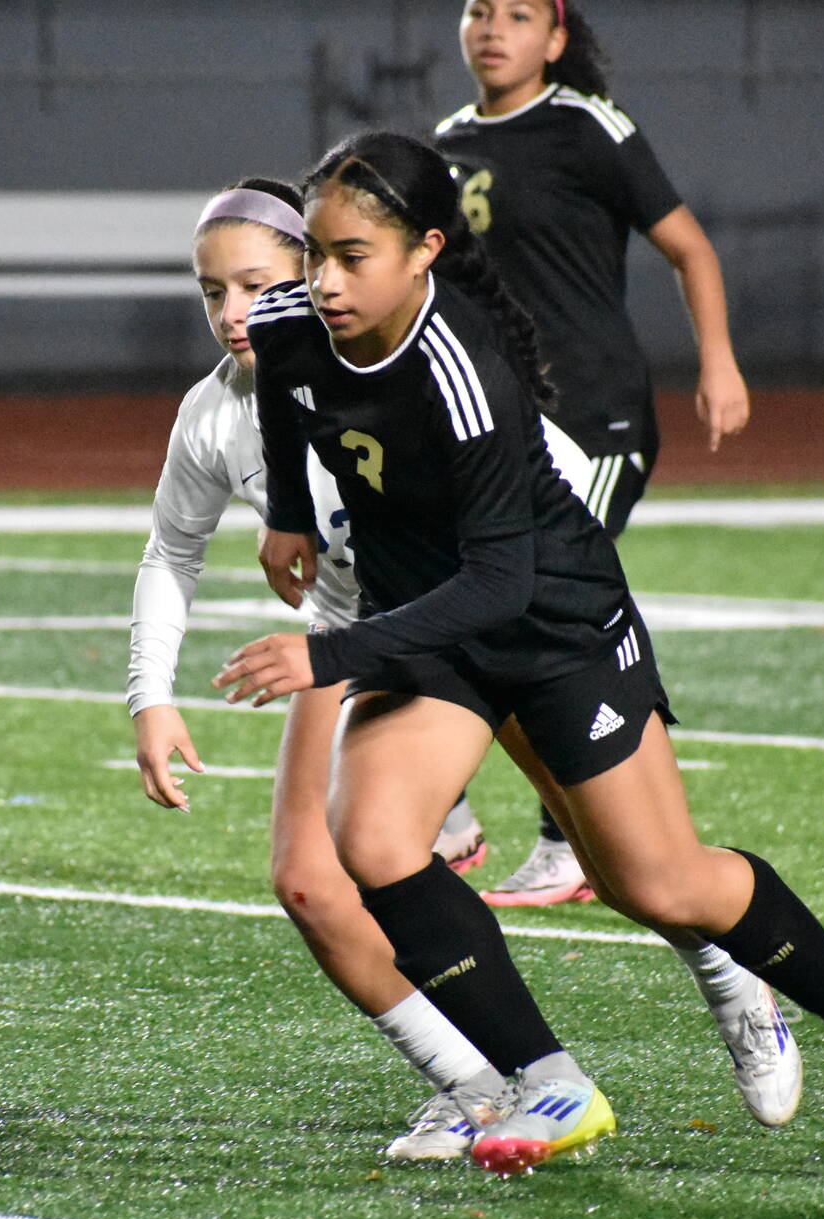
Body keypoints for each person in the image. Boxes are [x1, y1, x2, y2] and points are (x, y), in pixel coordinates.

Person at [215, 132, 824, 1175]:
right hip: (434, 624)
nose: (320, 281)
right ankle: (550, 1083)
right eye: (313, 253)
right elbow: (288, 397)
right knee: (368, 838)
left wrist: (329, 658)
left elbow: (502, 584)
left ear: (423, 250)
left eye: (350, 257)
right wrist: (286, 515)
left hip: (551, 624)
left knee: (660, 883)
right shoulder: (290, 321)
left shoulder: (463, 370)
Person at [129, 179, 786, 1160]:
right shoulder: (216, 413)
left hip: (491, 620)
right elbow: (169, 550)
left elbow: (540, 476)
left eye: (255, 283)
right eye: (209, 290)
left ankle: (732, 975)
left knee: (621, 862)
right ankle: (476, 1086)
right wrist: (151, 696)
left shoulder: (414, 356)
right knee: (310, 880)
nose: (232, 312)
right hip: (356, 630)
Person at [435, 0, 752, 909]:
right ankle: (455, 806)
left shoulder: (587, 127)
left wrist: (718, 361)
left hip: (593, 416)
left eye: (519, 14)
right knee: (467, 581)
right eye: (478, 10)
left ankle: (557, 837)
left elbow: (689, 248)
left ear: (556, 39)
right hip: (501, 421)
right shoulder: (446, 142)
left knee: (542, 593)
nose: (493, 28)